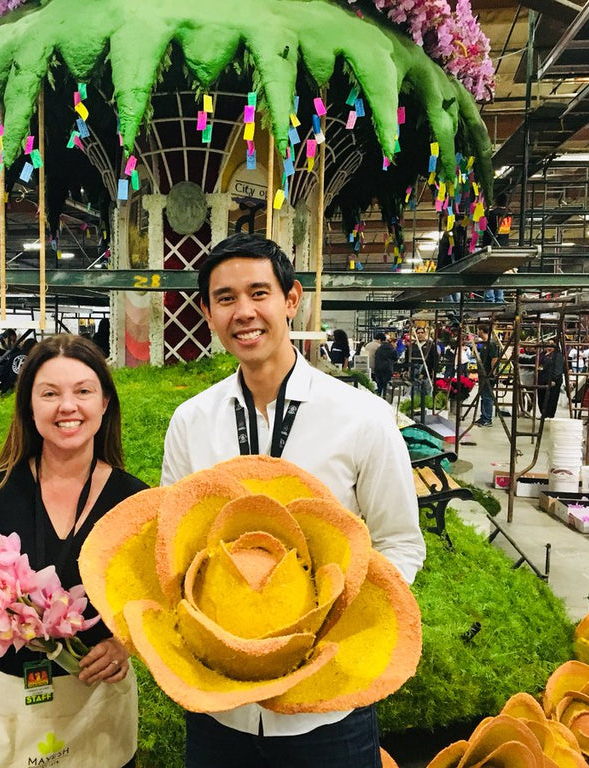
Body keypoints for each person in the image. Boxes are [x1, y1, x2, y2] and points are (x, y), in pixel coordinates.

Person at [161, 233, 425, 768]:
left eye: (259, 292)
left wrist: (335, 628)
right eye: (226, 298)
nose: (244, 312)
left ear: (290, 299)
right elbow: (174, 549)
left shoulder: (361, 418)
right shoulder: (192, 422)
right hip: (220, 713)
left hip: (328, 711)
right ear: (209, 313)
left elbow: (400, 543)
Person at [0, 334, 146, 768]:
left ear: (105, 402)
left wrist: (124, 643)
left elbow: (152, 600)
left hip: (96, 703)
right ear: (29, 406)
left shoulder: (136, 505)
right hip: (4, 711)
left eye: (83, 391)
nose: (67, 407)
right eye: (49, 393)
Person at [476, 323, 501, 426]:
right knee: (483, 395)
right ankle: (483, 417)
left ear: (482, 331)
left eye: (478, 330)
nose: (477, 332)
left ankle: (487, 419)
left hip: (488, 374)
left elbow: (494, 359)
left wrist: (492, 373)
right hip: (482, 374)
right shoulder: (484, 344)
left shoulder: (491, 343)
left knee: (487, 396)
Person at [407, 325, 439, 402]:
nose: (420, 334)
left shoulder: (431, 346)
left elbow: (435, 360)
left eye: (422, 332)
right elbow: (407, 359)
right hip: (414, 374)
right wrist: (406, 370)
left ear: (425, 334)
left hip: (426, 374)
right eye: (418, 333)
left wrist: (430, 371)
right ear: (415, 334)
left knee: (426, 394)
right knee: (414, 395)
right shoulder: (412, 346)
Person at [537, 339, 566, 419]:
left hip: (553, 380)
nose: (549, 346)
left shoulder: (558, 355)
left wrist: (553, 379)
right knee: (541, 398)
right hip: (542, 379)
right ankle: (543, 414)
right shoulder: (542, 354)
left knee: (551, 398)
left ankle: (549, 415)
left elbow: (558, 369)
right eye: (548, 344)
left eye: (551, 344)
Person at [372, 332, 399, 399]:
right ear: (392, 343)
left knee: (379, 385)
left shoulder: (379, 348)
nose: (396, 345)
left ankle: (378, 397)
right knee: (385, 385)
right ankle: (384, 398)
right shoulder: (392, 350)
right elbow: (395, 358)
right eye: (395, 343)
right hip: (387, 370)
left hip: (378, 369)